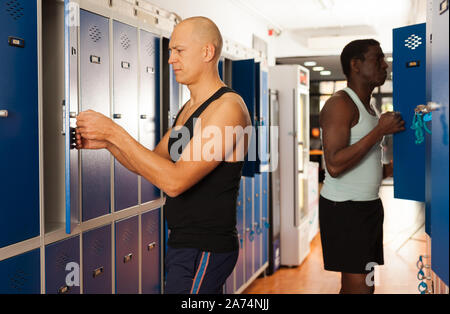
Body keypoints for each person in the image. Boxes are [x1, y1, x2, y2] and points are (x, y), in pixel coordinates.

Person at [75, 16, 251, 294]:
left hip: (206, 247)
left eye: (179, 50)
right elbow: (154, 162)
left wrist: (115, 133)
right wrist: (108, 143)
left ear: (207, 52)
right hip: (185, 242)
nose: (171, 60)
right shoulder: (190, 108)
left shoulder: (227, 108)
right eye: (171, 52)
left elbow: (174, 181)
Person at [319, 39, 405, 294]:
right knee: (360, 287)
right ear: (355, 65)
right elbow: (334, 164)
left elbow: (364, 163)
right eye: (377, 58)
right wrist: (379, 131)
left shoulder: (368, 106)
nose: (385, 64)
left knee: (364, 285)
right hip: (345, 210)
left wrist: (396, 169)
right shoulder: (340, 104)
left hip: (366, 208)